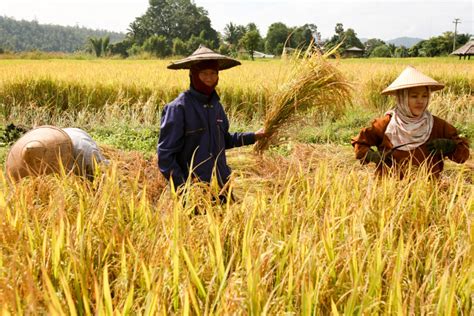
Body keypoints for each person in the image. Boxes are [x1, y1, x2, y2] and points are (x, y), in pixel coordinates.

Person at [157, 45, 268, 199]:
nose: (209, 78)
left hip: (221, 185)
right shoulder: (178, 108)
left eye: (213, 73)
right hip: (194, 190)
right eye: (203, 74)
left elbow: (224, 140)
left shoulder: (216, 106)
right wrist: (183, 189)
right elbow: (165, 156)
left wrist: (254, 136)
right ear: (193, 75)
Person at [351, 66, 470, 178]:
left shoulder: (438, 125)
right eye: (414, 96)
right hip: (389, 190)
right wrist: (373, 156)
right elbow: (360, 143)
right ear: (402, 98)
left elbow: (462, 156)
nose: (420, 101)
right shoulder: (386, 124)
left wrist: (451, 146)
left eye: (424, 96)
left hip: (427, 190)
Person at [6, 125, 108, 181]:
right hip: (65, 136)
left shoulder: (85, 150)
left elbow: (102, 172)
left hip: (77, 138)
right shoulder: (31, 150)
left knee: (94, 172)